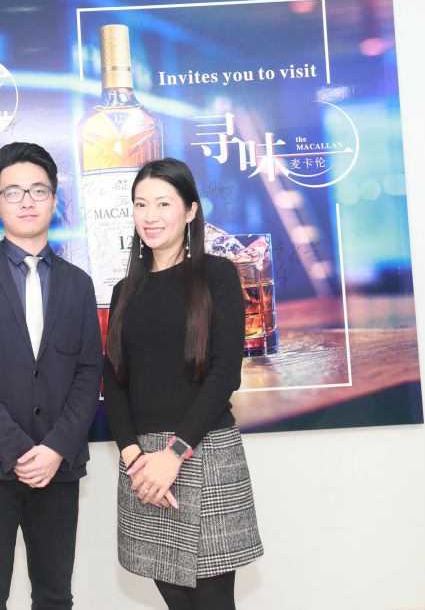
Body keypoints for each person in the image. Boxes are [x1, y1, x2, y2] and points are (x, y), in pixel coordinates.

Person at [0, 142, 103, 610]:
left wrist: (54, 449)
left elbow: (88, 372)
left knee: (55, 597)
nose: (27, 201)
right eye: (13, 192)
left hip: (59, 467)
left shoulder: (78, 283)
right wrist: (17, 451)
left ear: (55, 199)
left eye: (38, 190)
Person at [102, 158, 263, 610]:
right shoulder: (123, 291)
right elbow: (114, 379)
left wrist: (174, 453)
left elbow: (225, 373)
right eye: (140, 204)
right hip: (142, 466)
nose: (150, 216)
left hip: (202, 450)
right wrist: (133, 457)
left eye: (163, 203)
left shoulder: (217, 274)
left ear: (190, 210)